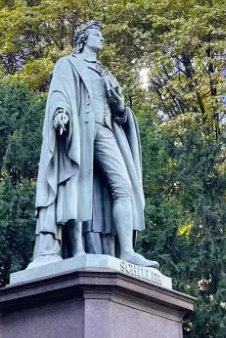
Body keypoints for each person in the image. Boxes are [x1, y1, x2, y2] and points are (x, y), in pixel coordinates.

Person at [30, 19, 158, 269]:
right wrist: (60, 113)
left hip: (107, 130)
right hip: (80, 129)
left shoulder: (106, 72)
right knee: (77, 185)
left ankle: (128, 251)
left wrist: (120, 106)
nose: (101, 38)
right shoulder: (69, 63)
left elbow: (120, 113)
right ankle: (77, 248)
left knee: (123, 186)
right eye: (96, 34)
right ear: (84, 39)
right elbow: (59, 92)